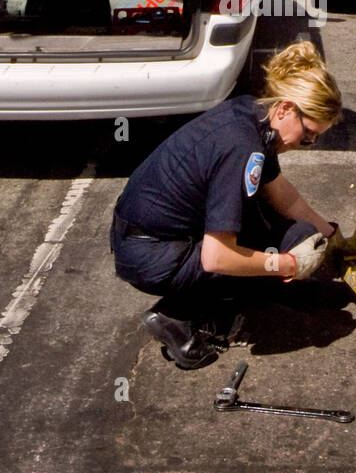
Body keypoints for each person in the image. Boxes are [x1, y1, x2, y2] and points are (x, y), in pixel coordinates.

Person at [111, 42, 343, 369]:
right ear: (287, 109)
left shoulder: (252, 113)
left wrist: (329, 234)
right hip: (149, 254)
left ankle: (260, 288)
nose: (308, 144)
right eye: (308, 135)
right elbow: (216, 256)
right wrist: (287, 265)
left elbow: (281, 194)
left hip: (148, 235)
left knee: (301, 234)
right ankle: (174, 315)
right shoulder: (242, 148)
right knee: (262, 258)